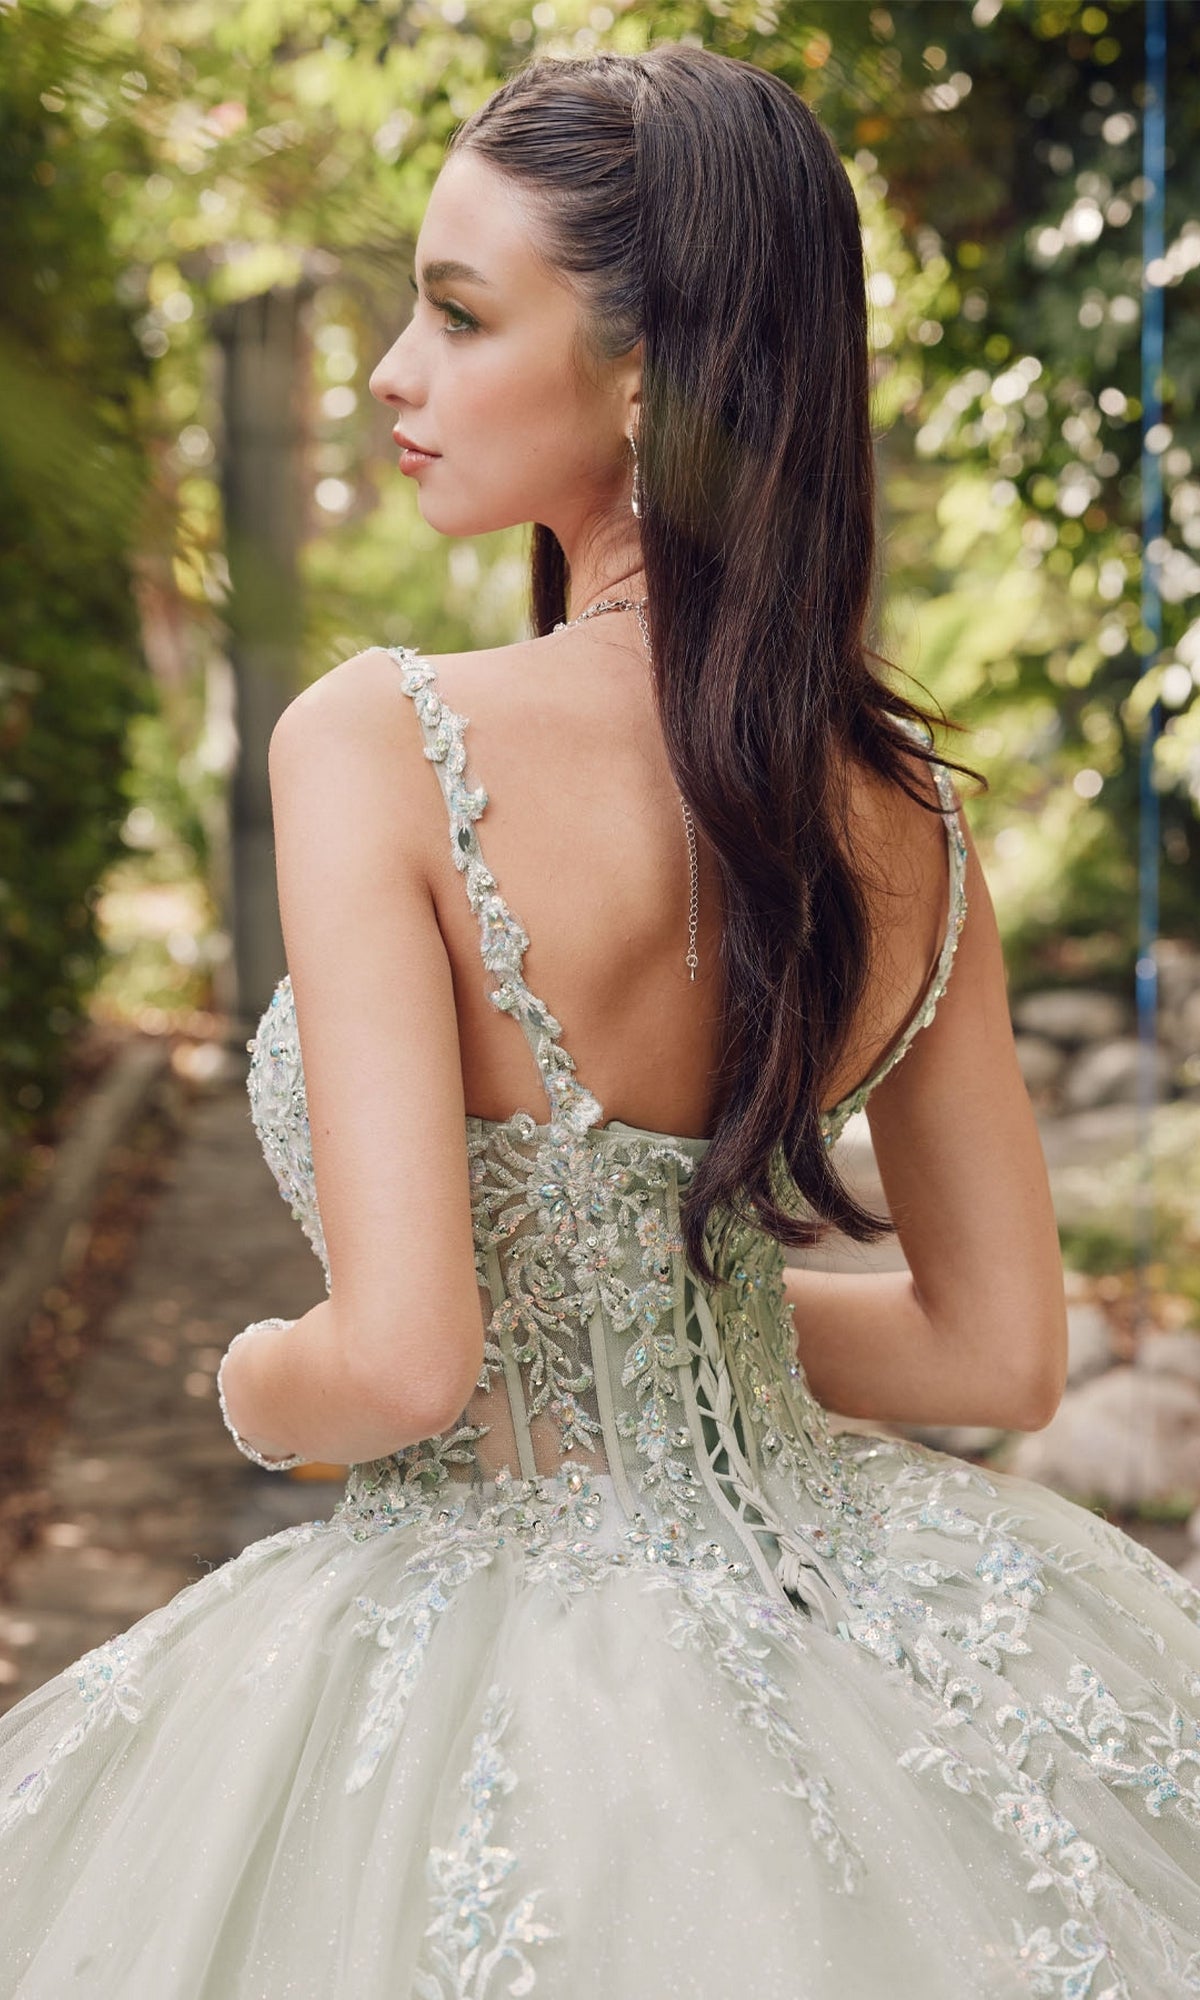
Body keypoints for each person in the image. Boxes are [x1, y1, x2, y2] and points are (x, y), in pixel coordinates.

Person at [3, 41, 1200, 1998]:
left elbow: (402, 1363)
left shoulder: (380, 740)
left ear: (650, 373)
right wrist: (670, 1321)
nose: (392, 372)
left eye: (460, 314)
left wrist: (246, 1377)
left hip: (485, 1642)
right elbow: (1000, 1348)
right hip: (853, 1618)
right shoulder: (906, 811)